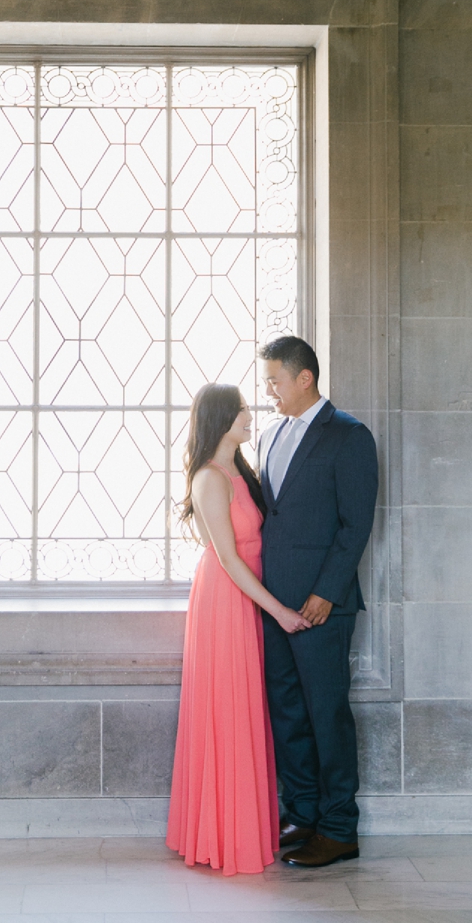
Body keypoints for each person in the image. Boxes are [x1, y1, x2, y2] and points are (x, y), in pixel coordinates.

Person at [166, 383, 311, 875]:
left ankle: (242, 825)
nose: (252, 415)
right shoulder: (210, 478)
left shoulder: (240, 472)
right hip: (228, 601)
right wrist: (280, 610)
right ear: (222, 418)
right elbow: (226, 558)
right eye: (243, 409)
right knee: (228, 708)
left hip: (246, 597)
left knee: (247, 707)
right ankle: (222, 835)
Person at [257, 336, 378, 867]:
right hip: (274, 606)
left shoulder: (349, 436)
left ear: (304, 378)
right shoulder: (268, 435)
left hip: (322, 607)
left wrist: (326, 592)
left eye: (274, 381)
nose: (268, 391)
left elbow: (356, 526)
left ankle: (338, 829)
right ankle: (302, 814)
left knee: (327, 715)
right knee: (287, 713)